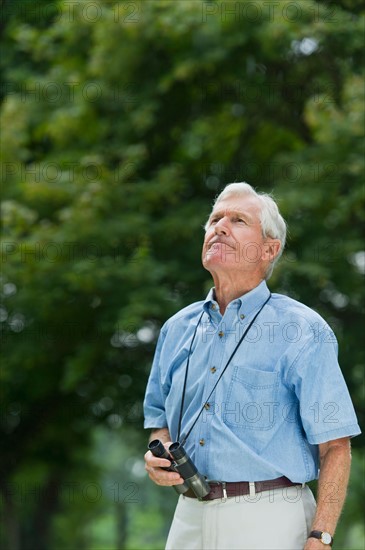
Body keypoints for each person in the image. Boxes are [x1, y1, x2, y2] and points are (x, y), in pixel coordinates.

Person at [143, 182, 361, 550]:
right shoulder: (175, 329)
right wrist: (156, 453)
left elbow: (336, 447)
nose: (219, 227)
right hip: (188, 517)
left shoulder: (303, 330)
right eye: (214, 219)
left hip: (271, 519)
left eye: (238, 220)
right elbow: (157, 424)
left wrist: (320, 537)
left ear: (269, 249)